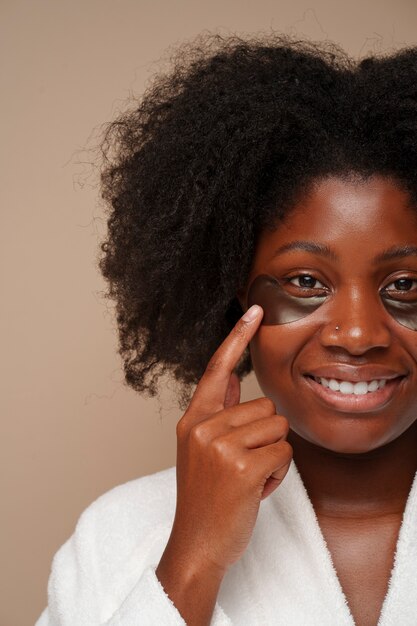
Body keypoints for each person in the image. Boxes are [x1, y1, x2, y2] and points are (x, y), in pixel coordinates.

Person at [36, 34, 417, 626]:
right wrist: (193, 558)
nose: (358, 333)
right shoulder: (123, 531)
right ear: (237, 292)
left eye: (405, 286)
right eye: (306, 282)